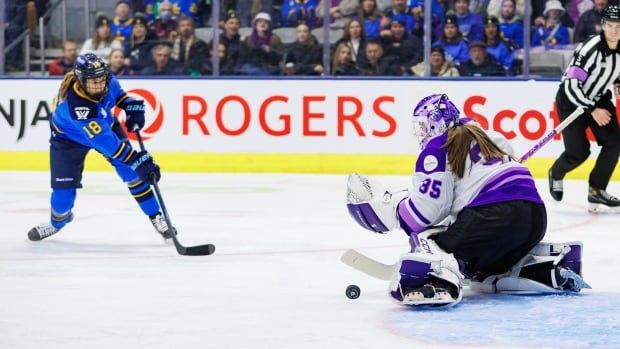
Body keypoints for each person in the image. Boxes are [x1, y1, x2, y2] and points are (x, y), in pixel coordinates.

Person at [345, 94, 590, 307]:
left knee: (427, 238)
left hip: (493, 217)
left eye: (422, 127)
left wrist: (397, 210)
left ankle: (433, 279)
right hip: (535, 218)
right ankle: (544, 266)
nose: (421, 134)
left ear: (433, 124)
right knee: (488, 266)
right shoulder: (484, 134)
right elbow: (506, 155)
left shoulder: (436, 150)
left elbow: (425, 214)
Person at [28, 53, 175, 242]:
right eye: (92, 81)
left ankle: (156, 216)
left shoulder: (107, 80)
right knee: (63, 198)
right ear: (81, 80)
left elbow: (119, 96)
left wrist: (131, 106)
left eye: (101, 79)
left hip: (105, 126)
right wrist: (137, 160)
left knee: (133, 174)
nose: (99, 84)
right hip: (68, 140)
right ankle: (57, 222)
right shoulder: (78, 107)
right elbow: (108, 145)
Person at [549, 4, 620, 213]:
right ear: (603, 26)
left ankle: (597, 189)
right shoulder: (589, 49)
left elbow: (615, 73)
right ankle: (556, 173)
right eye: (611, 25)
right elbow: (571, 85)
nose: (615, 30)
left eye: (619, 26)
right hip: (571, 101)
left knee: (614, 143)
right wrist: (592, 110)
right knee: (578, 152)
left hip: (598, 98)